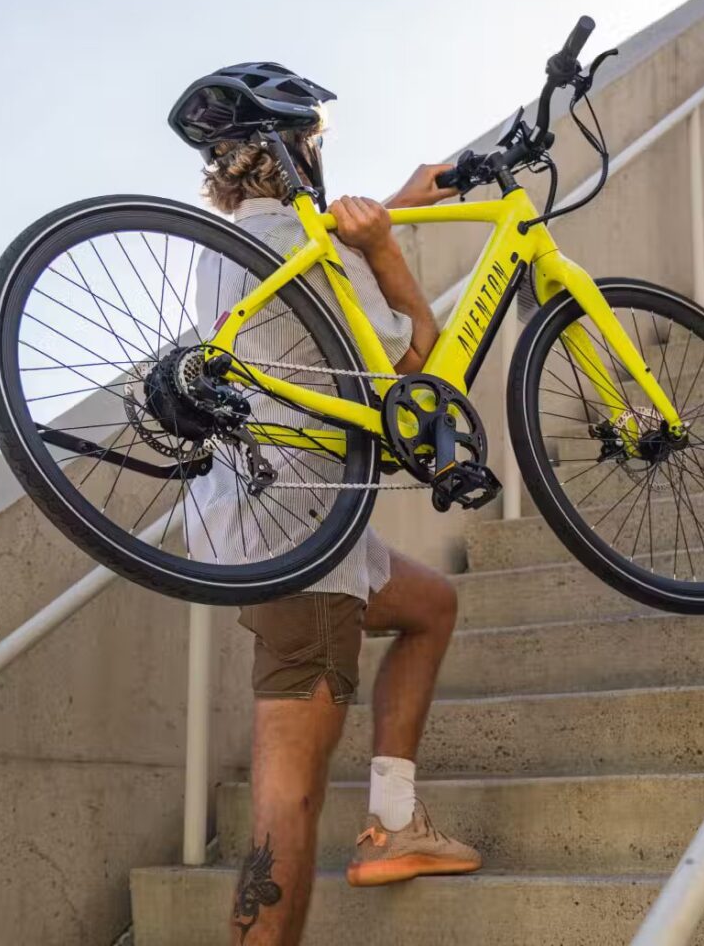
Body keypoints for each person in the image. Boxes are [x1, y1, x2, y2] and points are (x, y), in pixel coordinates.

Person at [170, 62, 481, 946]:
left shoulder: (236, 244)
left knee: (430, 605)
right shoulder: (310, 257)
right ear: (301, 149)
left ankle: (391, 819)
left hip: (252, 518)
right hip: (302, 532)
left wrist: (390, 209)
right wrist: (386, 250)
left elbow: (311, 284)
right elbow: (411, 363)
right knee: (287, 786)